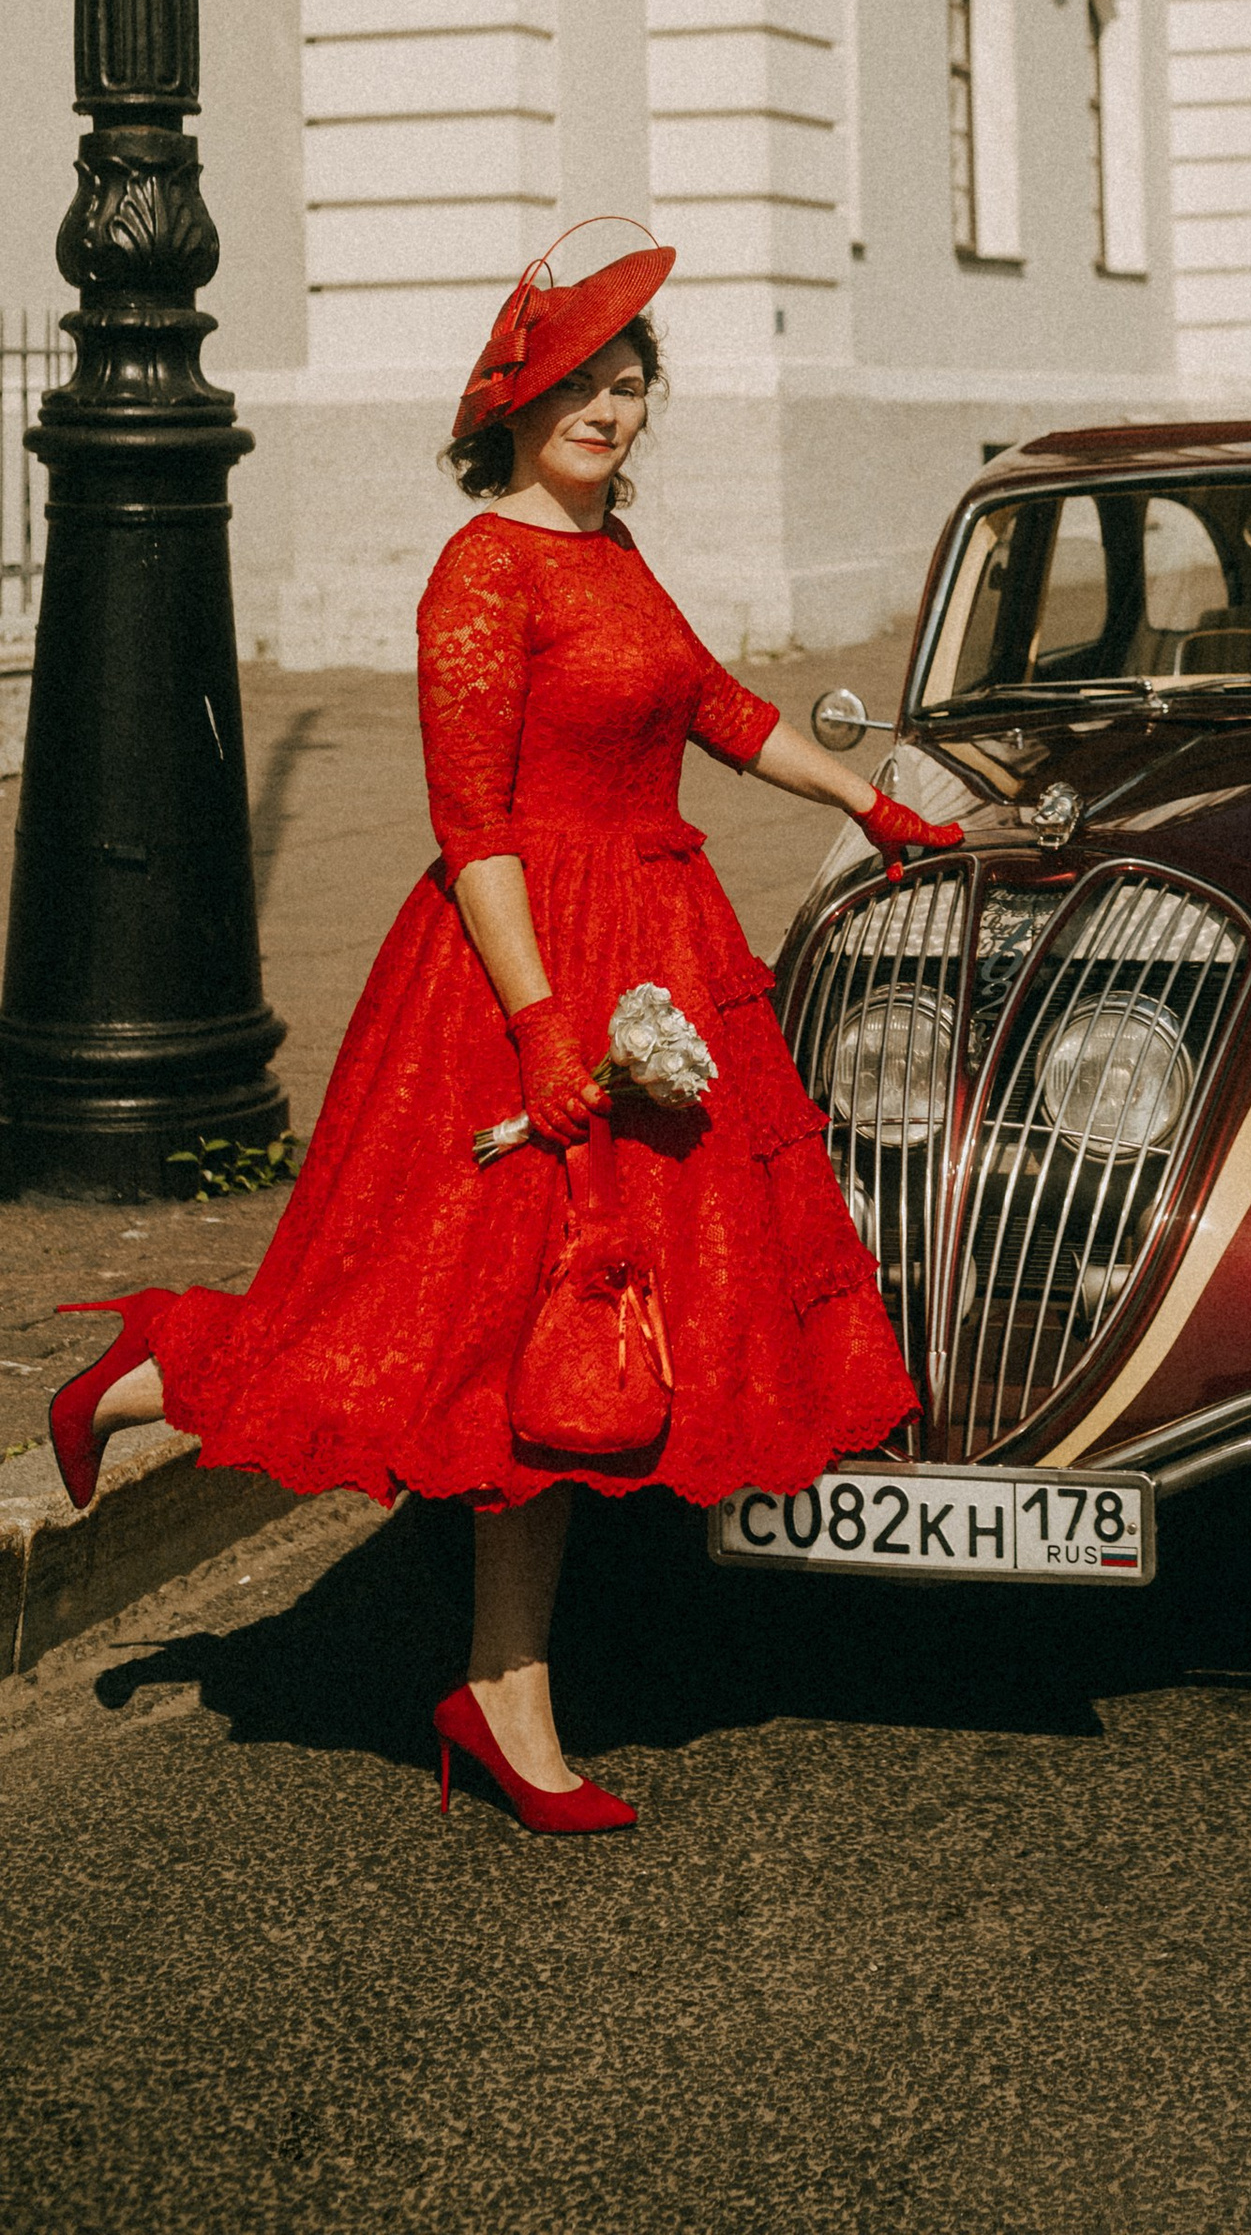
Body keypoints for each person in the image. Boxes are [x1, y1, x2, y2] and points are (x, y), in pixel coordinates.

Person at [46, 223, 962, 1835]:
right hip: (521, 978)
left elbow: (720, 712)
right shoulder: (484, 568)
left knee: (573, 1363)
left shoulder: (612, 558)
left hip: (657, 967)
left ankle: (504, 1699)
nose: (611, 410)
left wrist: (878, 804)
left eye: (631, 384)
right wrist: (541, 1027)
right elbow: (474, 827)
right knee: (443, 1331)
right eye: (581, 386)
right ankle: (152, 1373)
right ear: (515, 404)